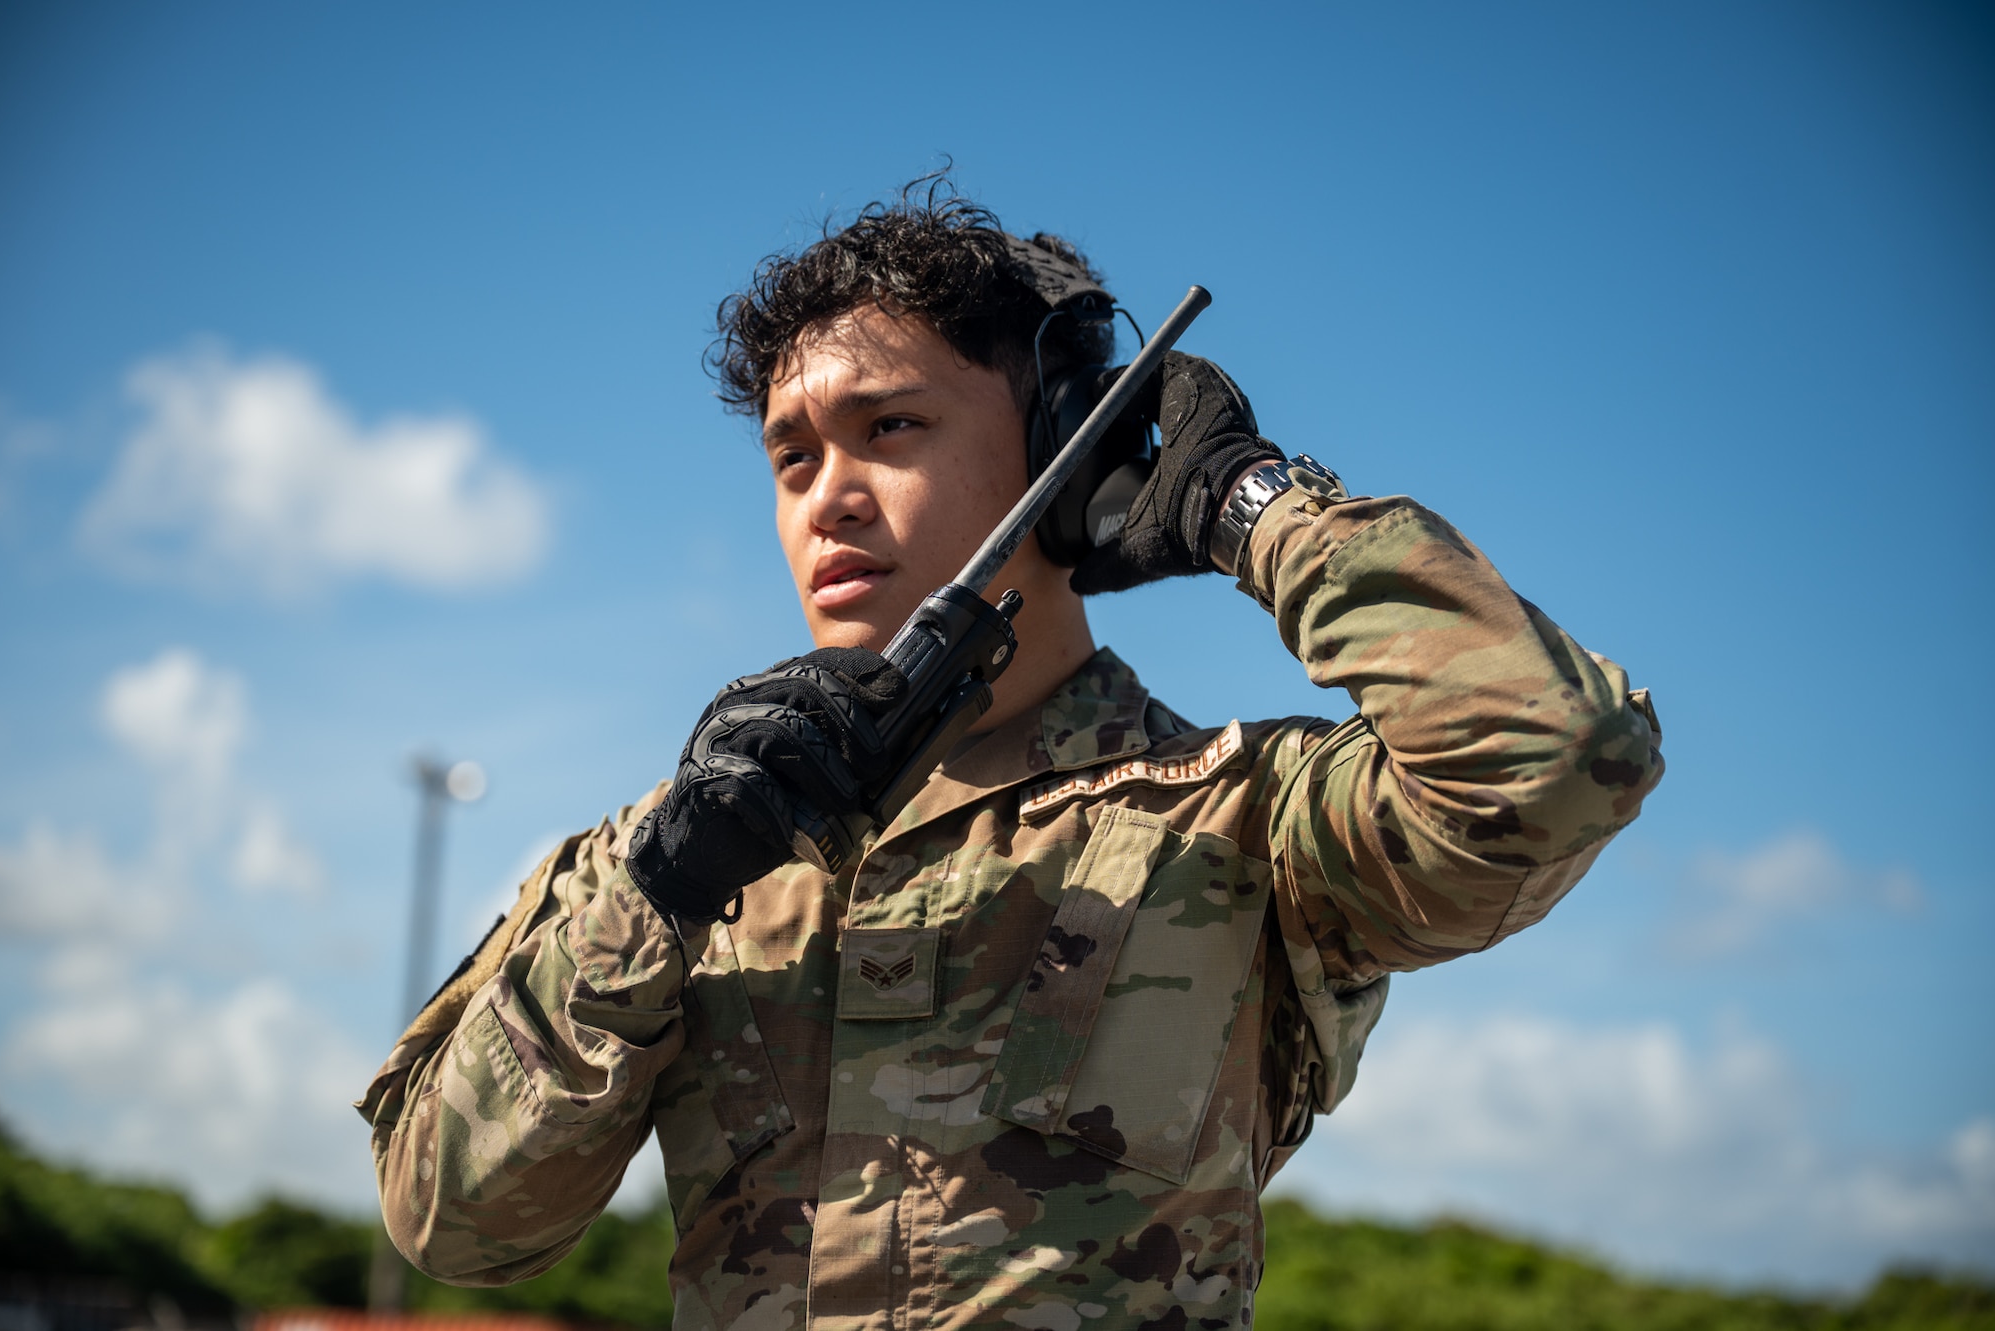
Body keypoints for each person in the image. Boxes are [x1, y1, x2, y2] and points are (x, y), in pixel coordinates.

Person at [356, 182, 1664, 1331]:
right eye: (791, 455)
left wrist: (1250, 508)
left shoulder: (1240, 819)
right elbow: (452, 1225)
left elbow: (1553, 758)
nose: (830, 496)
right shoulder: (678, 859)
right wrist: (654, 895)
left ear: (1059, 444)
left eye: (893, 429)